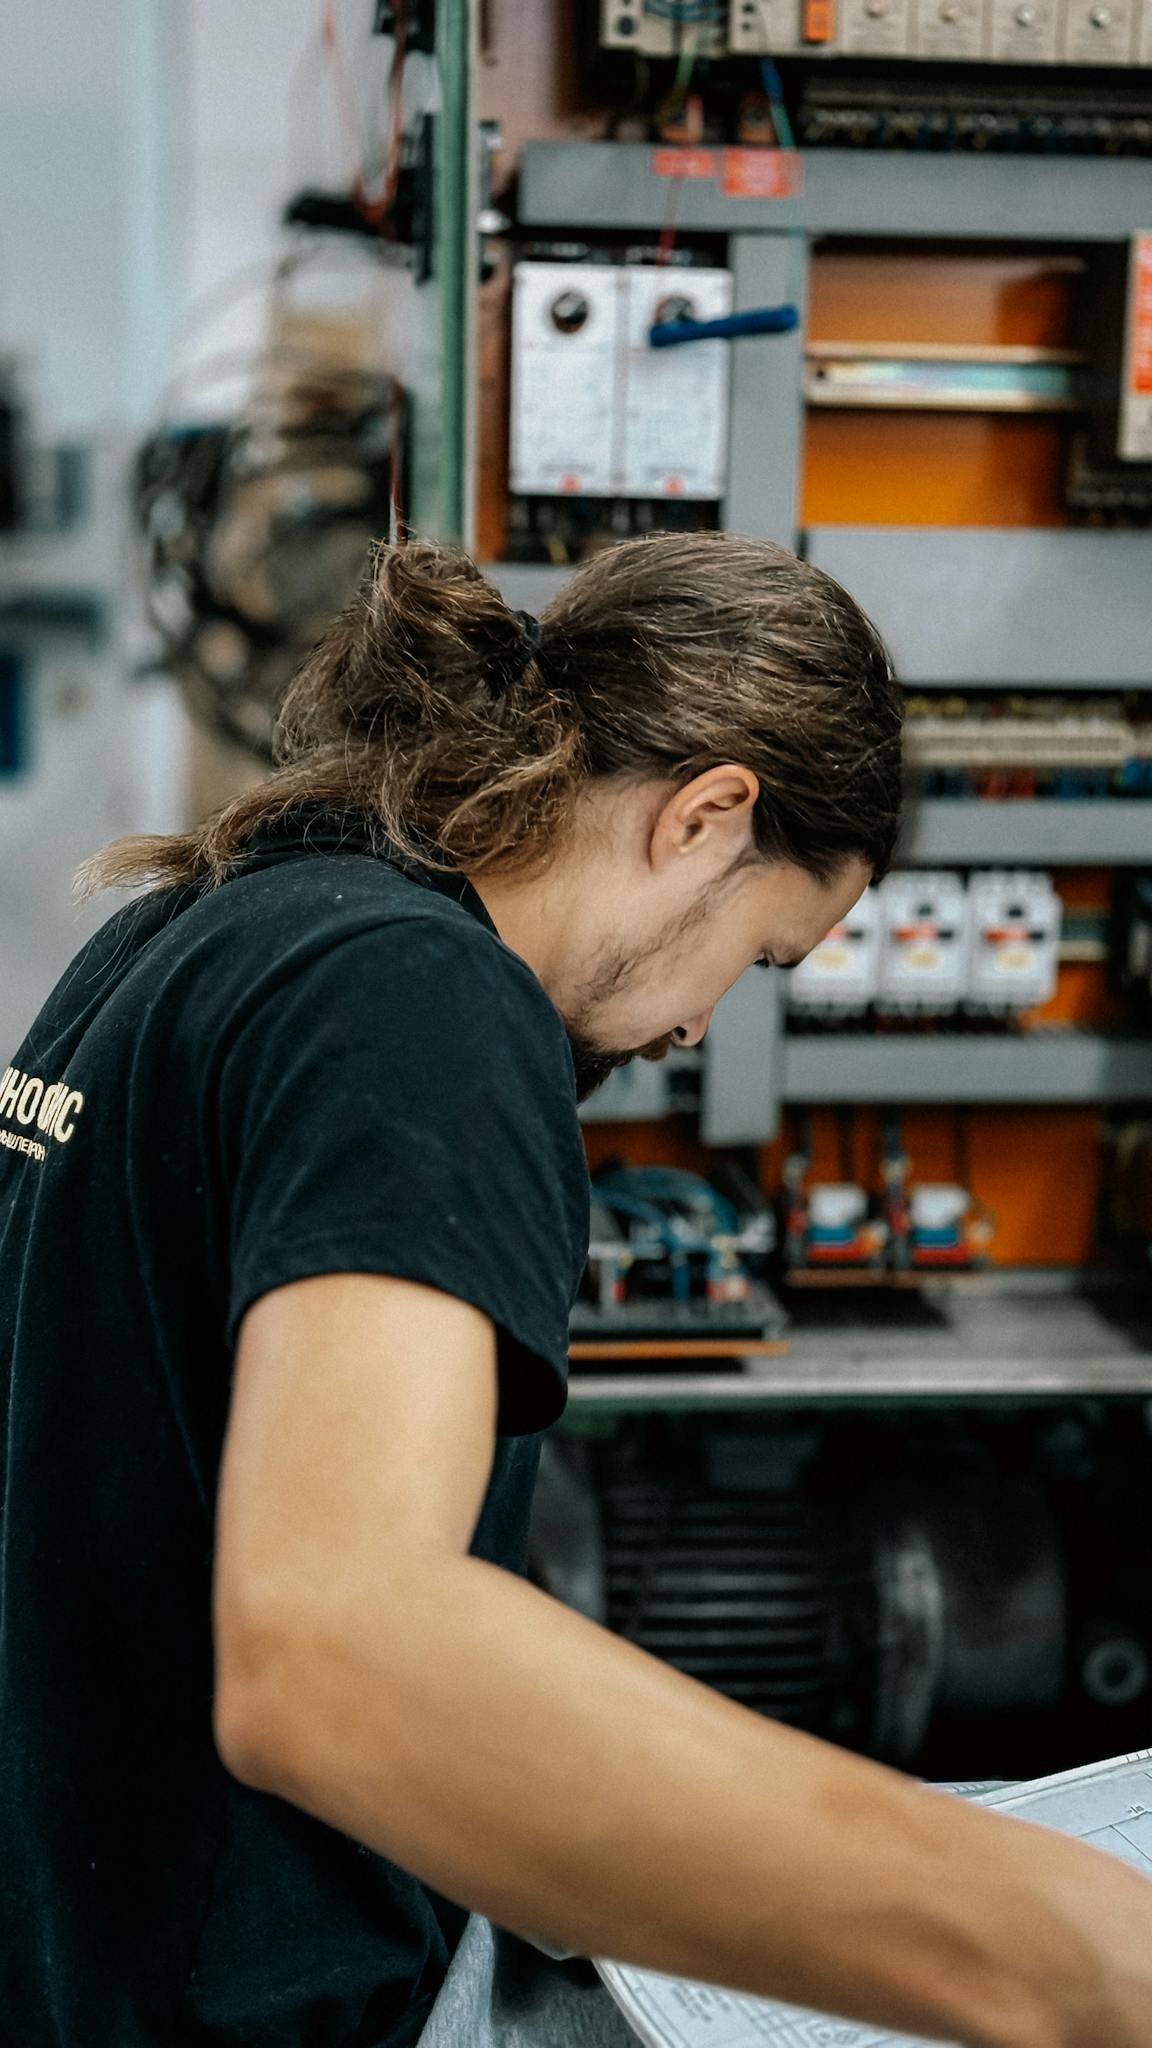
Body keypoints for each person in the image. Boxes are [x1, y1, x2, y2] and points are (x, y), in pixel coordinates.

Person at [0, 531, 1149, 2048]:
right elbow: (339, 1652)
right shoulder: (426, 1004)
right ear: (709, 813)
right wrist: (1071, 1948)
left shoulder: (191, 932)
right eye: (757, 952)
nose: (693, 1033)